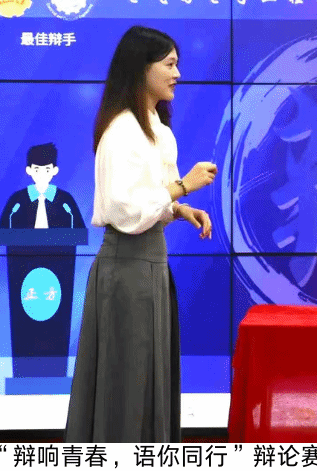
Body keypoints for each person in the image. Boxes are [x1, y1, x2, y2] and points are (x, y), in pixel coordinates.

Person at [65, 26, 218, 442]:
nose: (177, 74)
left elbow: (151, 200)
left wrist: (180, 209)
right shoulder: (121, 131)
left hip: (150, 266)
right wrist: (182, 187)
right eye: (169, 64)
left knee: (149, 378)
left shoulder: (157, 129)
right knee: (127, 385)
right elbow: (126, 210)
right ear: (142, 68)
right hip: (127, 270)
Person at [0, 142, 86, 384]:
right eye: (37, 169)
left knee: (55, 331)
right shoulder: (17, 202)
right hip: (21, 272)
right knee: (25, 333)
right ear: (29, 171)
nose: (42, 174)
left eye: (47, 169)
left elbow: (80, 232)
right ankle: (23, 377)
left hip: (60, 272)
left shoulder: (65, 202)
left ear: (55, 170)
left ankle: (56, 375)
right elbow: (2, 232)